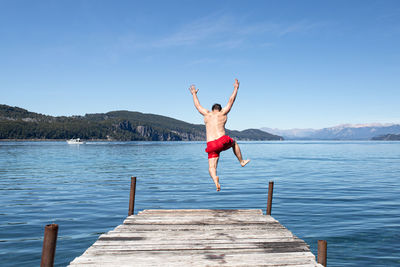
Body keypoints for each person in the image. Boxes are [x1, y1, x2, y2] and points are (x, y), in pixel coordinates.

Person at [189, 79, 250, 191]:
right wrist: (236, 88)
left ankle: (215, 179)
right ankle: (241, 161)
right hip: (222, 140)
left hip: (211, 144)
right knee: (234, 143)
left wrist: (194, 93)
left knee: (211, 167)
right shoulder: (223, 113)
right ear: (220, 109)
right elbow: (231, 100)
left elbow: (197, 106)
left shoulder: (206, 114)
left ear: (212, 109)